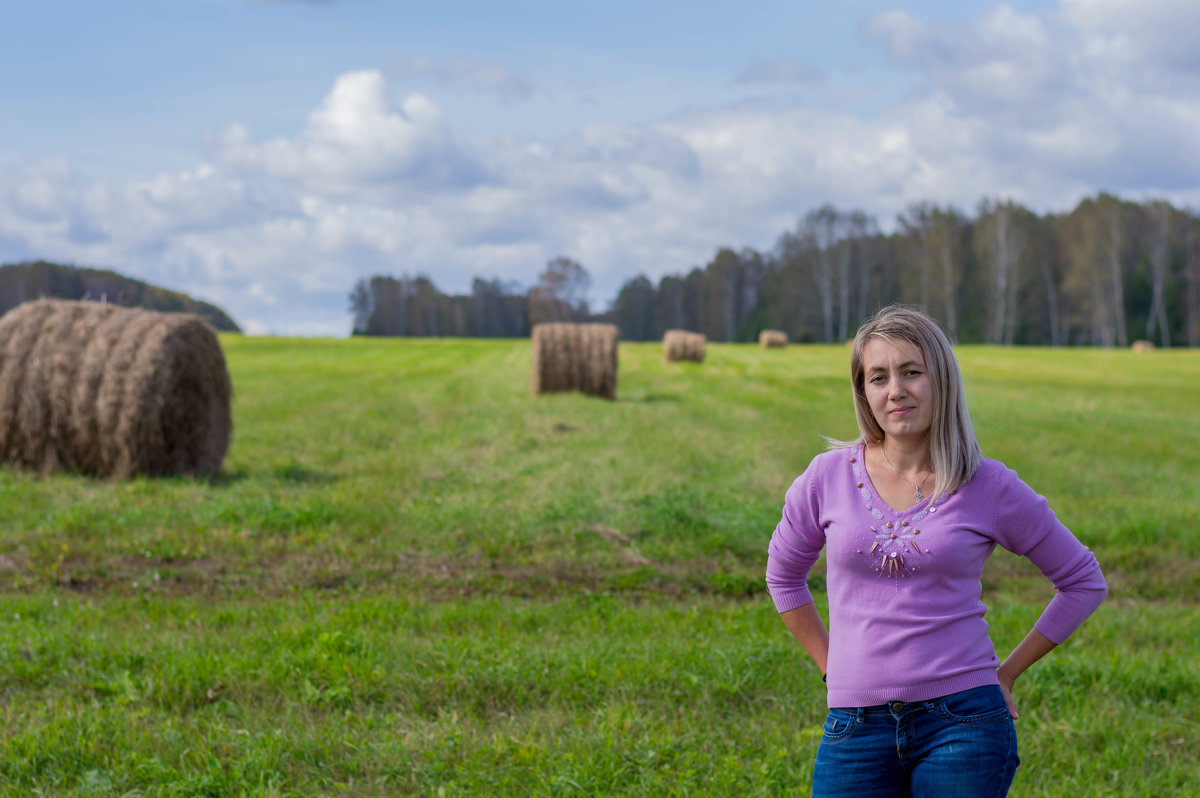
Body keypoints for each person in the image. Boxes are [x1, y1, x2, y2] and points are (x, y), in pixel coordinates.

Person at [765, 305, 1107, 798]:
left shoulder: (987, 483)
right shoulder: (825, 477)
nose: (895, 390)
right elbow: (783, 577)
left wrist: (1006, 673)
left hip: (964, 724)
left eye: (911, 372)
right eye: (877, 377)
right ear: (863, 392)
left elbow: (1083, 581)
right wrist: (830, 665)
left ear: (940, 379)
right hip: (854, 726)